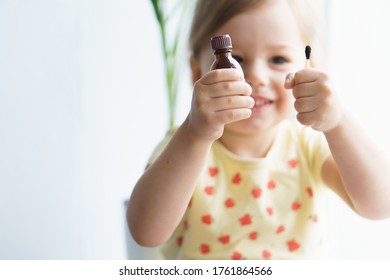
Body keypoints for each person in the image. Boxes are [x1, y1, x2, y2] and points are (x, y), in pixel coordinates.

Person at [127, 0, 390, 259]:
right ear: (197, 73)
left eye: (278, 59)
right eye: (236, 59)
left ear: (309, 68)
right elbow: (145, 232)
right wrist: (196, 135)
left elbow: (380, 204)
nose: (258, 77)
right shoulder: (184, 145)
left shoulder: (309, 145)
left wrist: (339, 123)